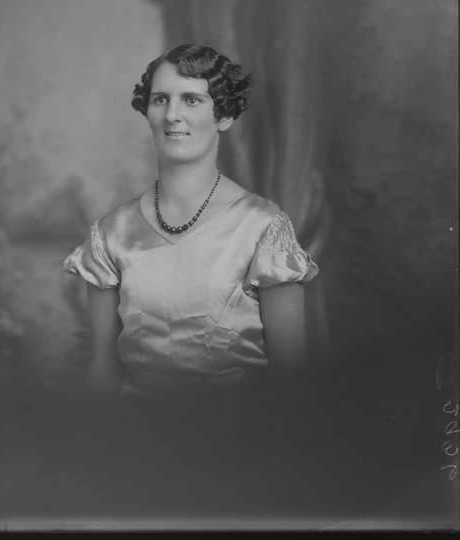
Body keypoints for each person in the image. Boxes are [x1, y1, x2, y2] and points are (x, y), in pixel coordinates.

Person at [63, 44, 319, 397]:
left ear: (224, 116)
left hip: (236, 434)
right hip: (138, 432)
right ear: (148, 110)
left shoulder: (263, 226)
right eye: (161, 100)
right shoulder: (112, 231)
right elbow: (104, 367)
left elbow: (292, 375)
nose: (172, 115)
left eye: (192, 100)